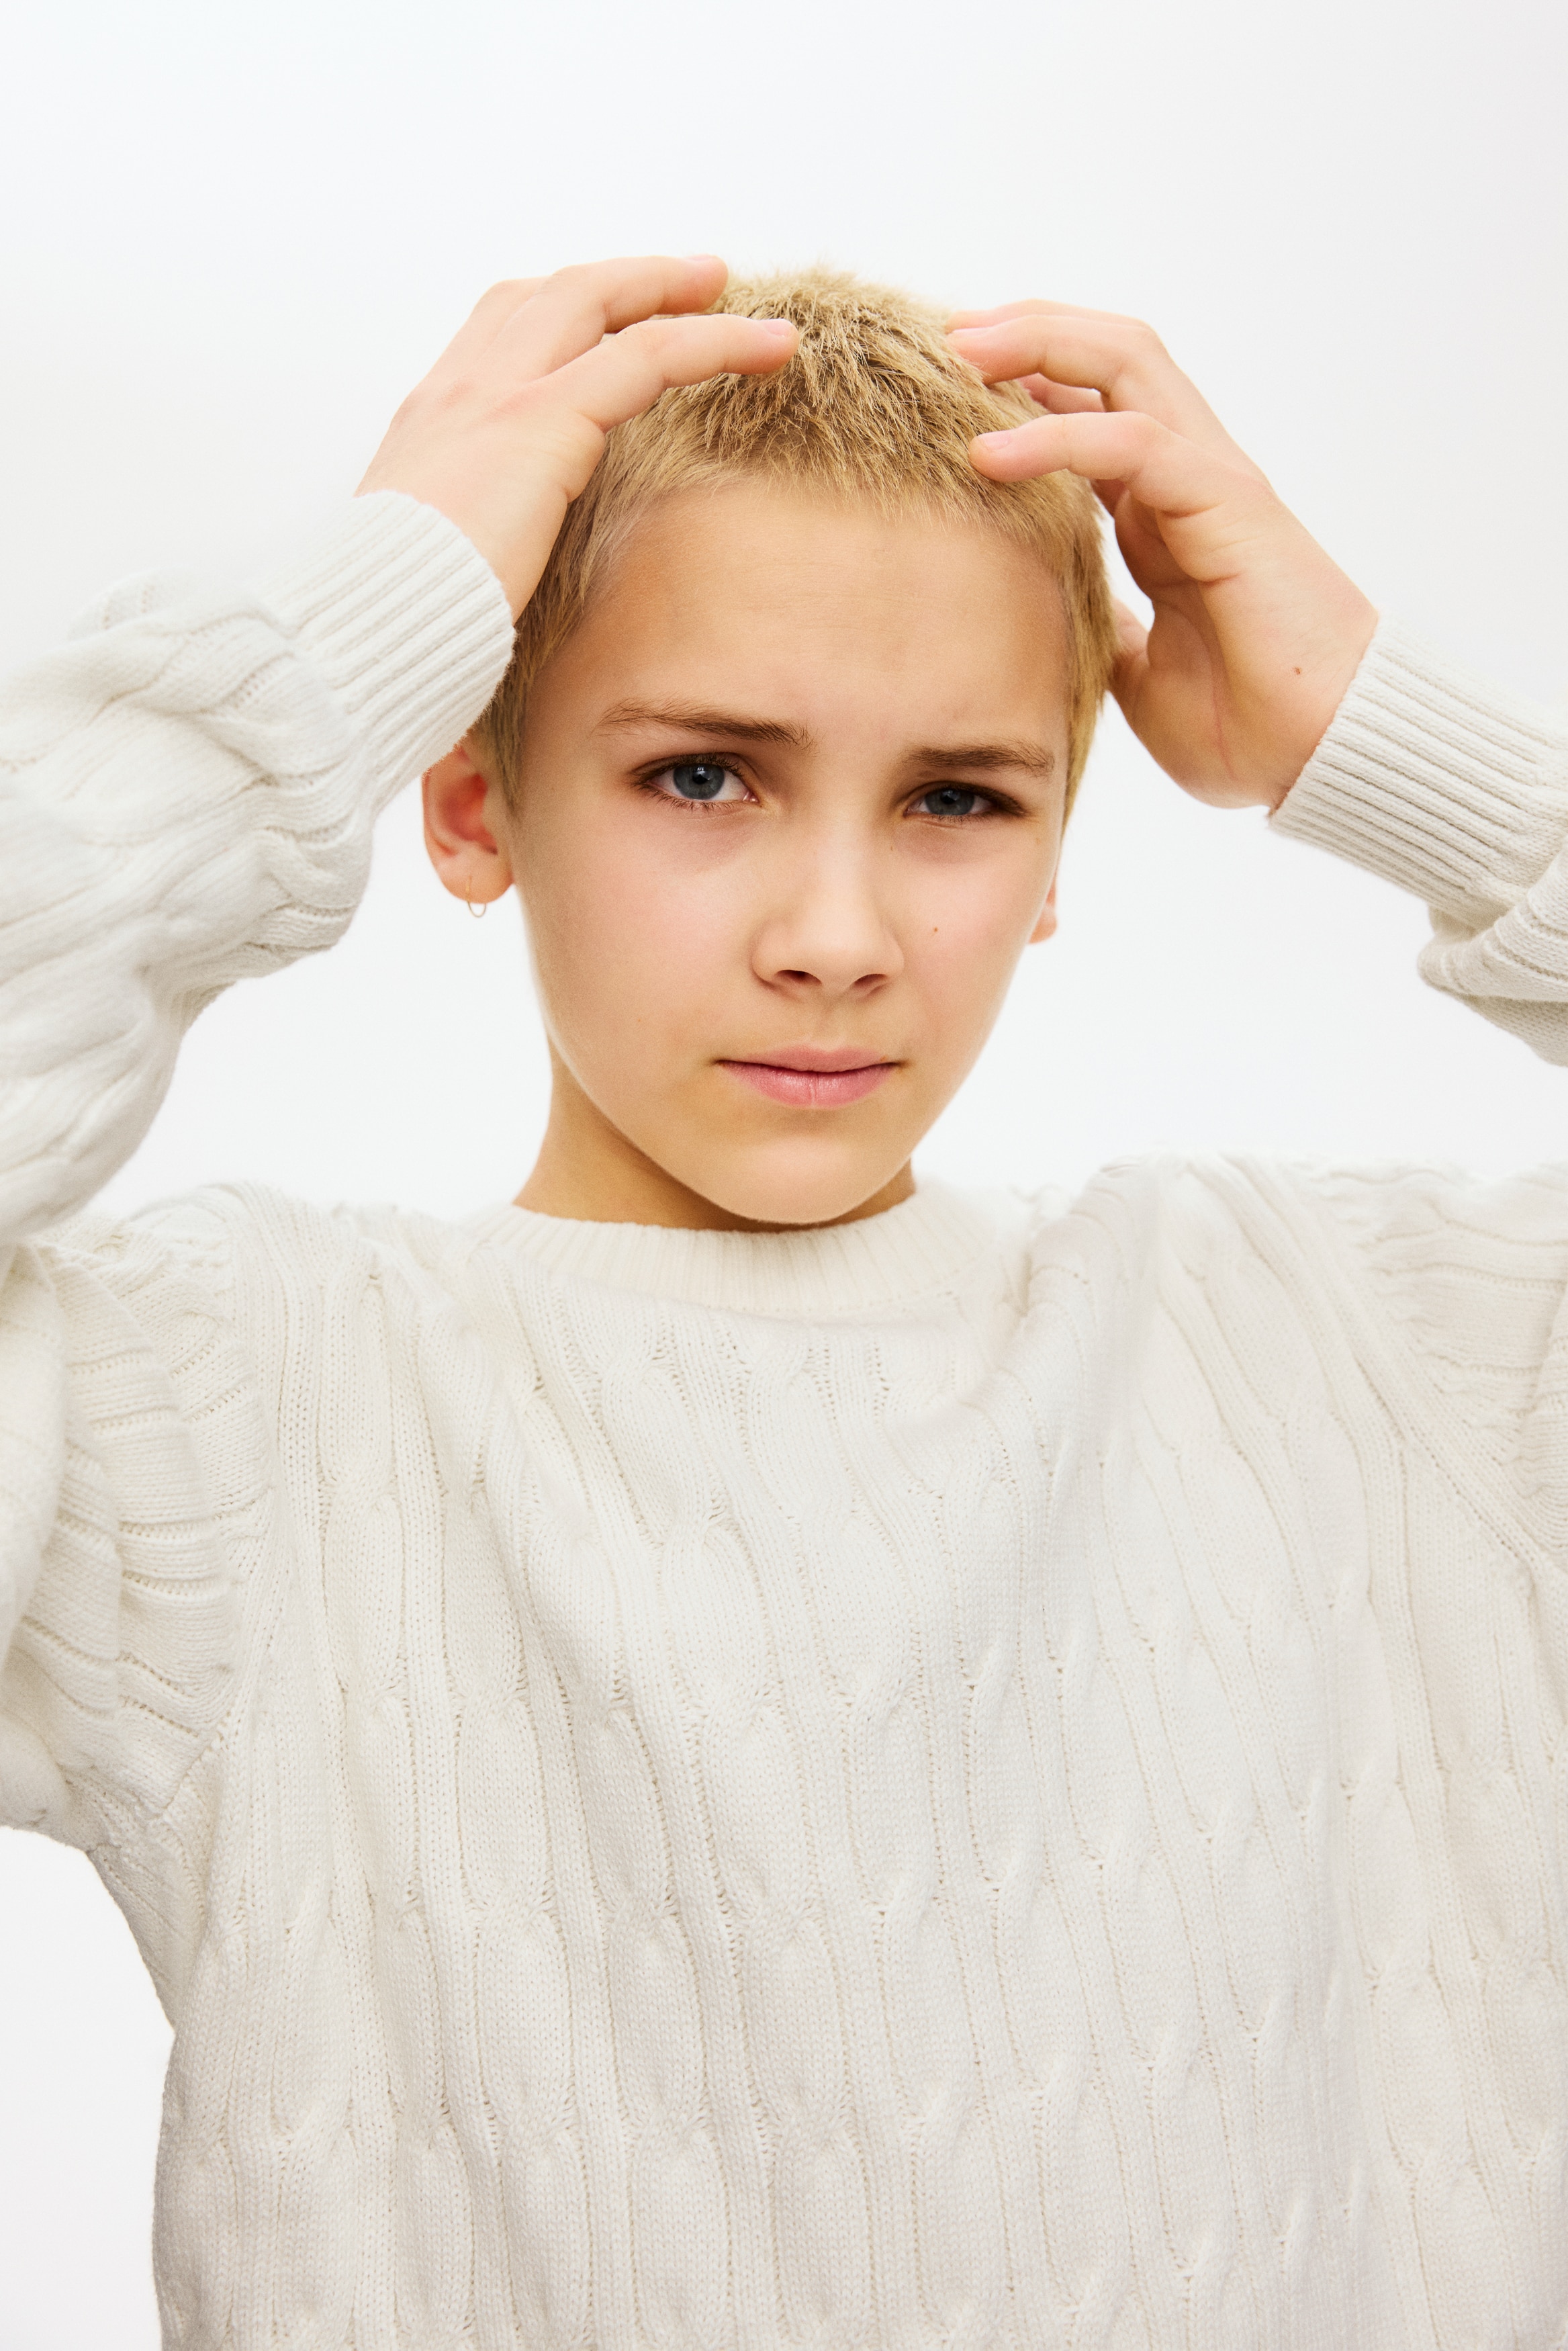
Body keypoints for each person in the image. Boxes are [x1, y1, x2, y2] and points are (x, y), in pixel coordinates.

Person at [2, 250, 1564, 2350]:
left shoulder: (1357, 1363)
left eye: (957, 796)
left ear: (1058, 847)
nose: (837, 933)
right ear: (469, 792)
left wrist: (1387, 727)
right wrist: (337, 641)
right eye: (703, 774)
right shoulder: (232, 1429)